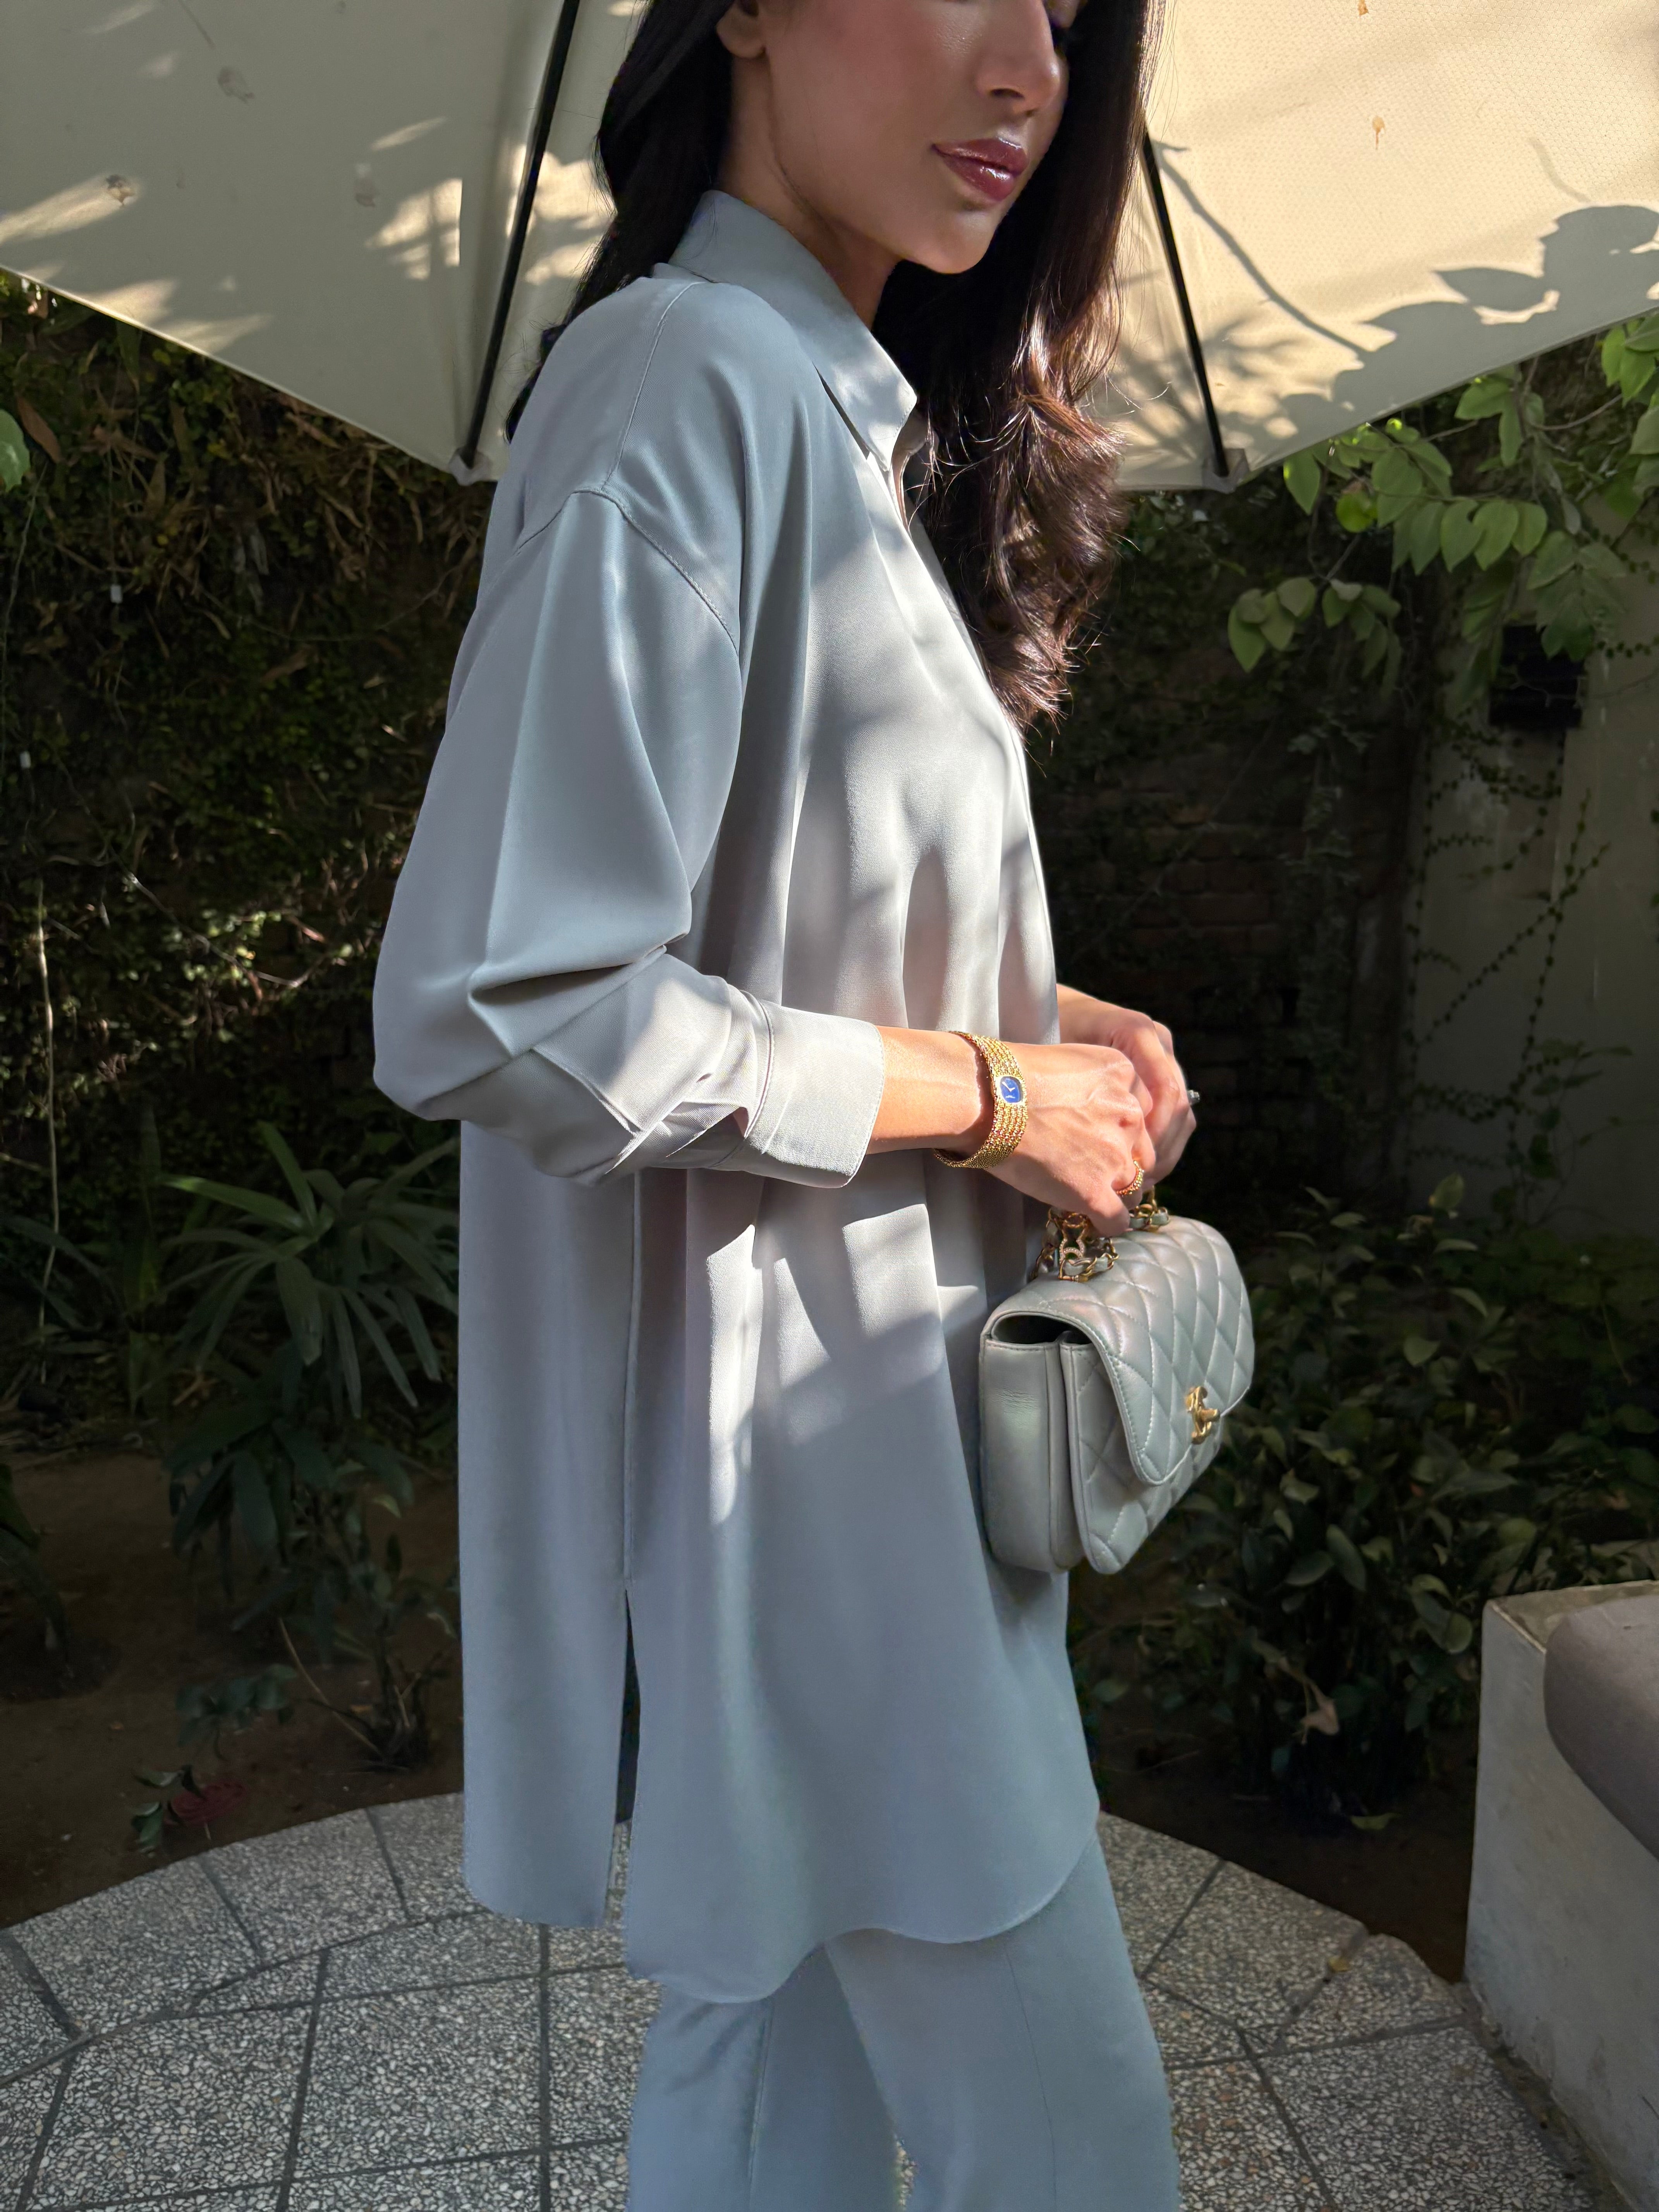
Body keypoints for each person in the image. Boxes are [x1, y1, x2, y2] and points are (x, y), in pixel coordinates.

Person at [373, 0, 1197, 2202]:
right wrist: (990, 1091)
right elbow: (497, 997)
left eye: (1069, 13)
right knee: (1081, 2153)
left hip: (855, 1461)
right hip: (831, 1509)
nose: (1029, 69)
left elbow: (769, 923)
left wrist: (1049, 1027)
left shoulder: (839, 413)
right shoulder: (688, 384)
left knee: (771, 2117)